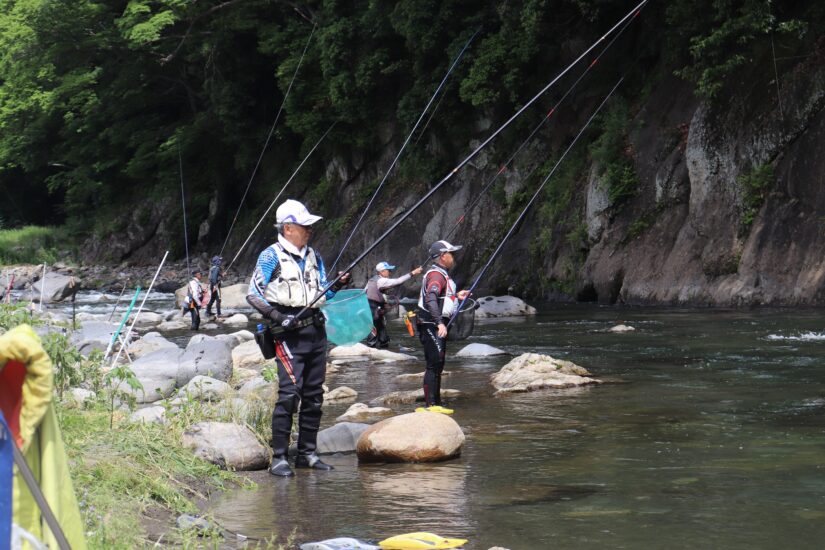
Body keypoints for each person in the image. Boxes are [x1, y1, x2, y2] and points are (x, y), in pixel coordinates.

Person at [246, 199, 350, 477]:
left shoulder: (315, 255)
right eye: (305, 226)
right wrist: (278, 318)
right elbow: (253, 293)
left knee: (314, 396)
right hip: (287, 336)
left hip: (316, 333)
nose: (310, 230)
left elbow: (324, 294)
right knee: (290, 396)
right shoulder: (270, 256)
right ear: (288, 228)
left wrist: (337, 285)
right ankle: (279, 457)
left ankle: (307, 454)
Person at [416, 240, 470, 414]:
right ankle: (430, 405)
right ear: (442, 256)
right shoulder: (436, 275)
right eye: (451, 253)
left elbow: (441, 297)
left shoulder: (442, 274)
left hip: (435, 324)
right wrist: (439, 322)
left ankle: (436, 402)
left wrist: (456, 296)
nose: (453, 257)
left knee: (439, 363)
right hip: (431, 324)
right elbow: (431, 298)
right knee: (434, 363)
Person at [365, 261, 423, 349]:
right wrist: (413, 273)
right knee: (375, 326)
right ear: (381, 272)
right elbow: (398, 281)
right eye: (388, 270)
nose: (390, 272)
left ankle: (381, 344)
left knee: (378, 326)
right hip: (375, 308)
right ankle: (372, 346)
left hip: (371, 306)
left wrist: (383, 301)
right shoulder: (381, 280)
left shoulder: (372, 279)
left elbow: (366, 292)